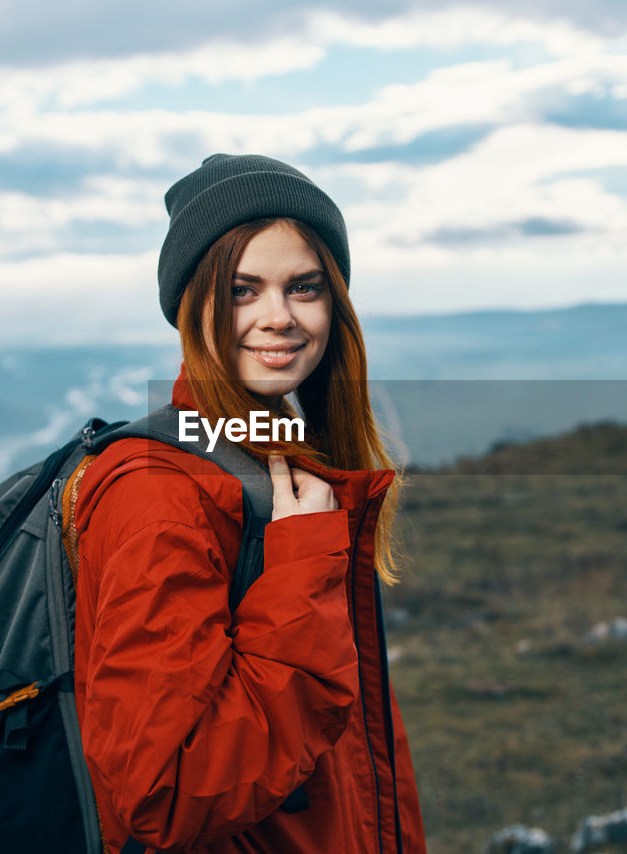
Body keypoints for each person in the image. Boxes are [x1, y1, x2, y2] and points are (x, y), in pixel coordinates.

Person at [70, 154, 427, 853]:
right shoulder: (159, 494)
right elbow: (166, 794)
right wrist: (300, 572)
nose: (279, 318)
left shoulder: (281, 465)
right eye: (242, 290)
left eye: (304, 287)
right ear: (191, 305)